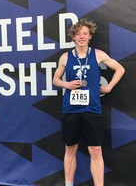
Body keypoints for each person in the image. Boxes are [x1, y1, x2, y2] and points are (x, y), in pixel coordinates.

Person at [53, 18, 125, 186]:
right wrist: (67, 84)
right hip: (71, 109)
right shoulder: (65, 57)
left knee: (96, 150)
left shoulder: (97, 54)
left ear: (90, 36)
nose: (81, 37)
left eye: (85, 33)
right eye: (78, 34)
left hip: (92, 108)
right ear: (73, 37)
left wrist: (108, 88)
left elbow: (120, 69)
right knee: (70, 149)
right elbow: (56, 80)